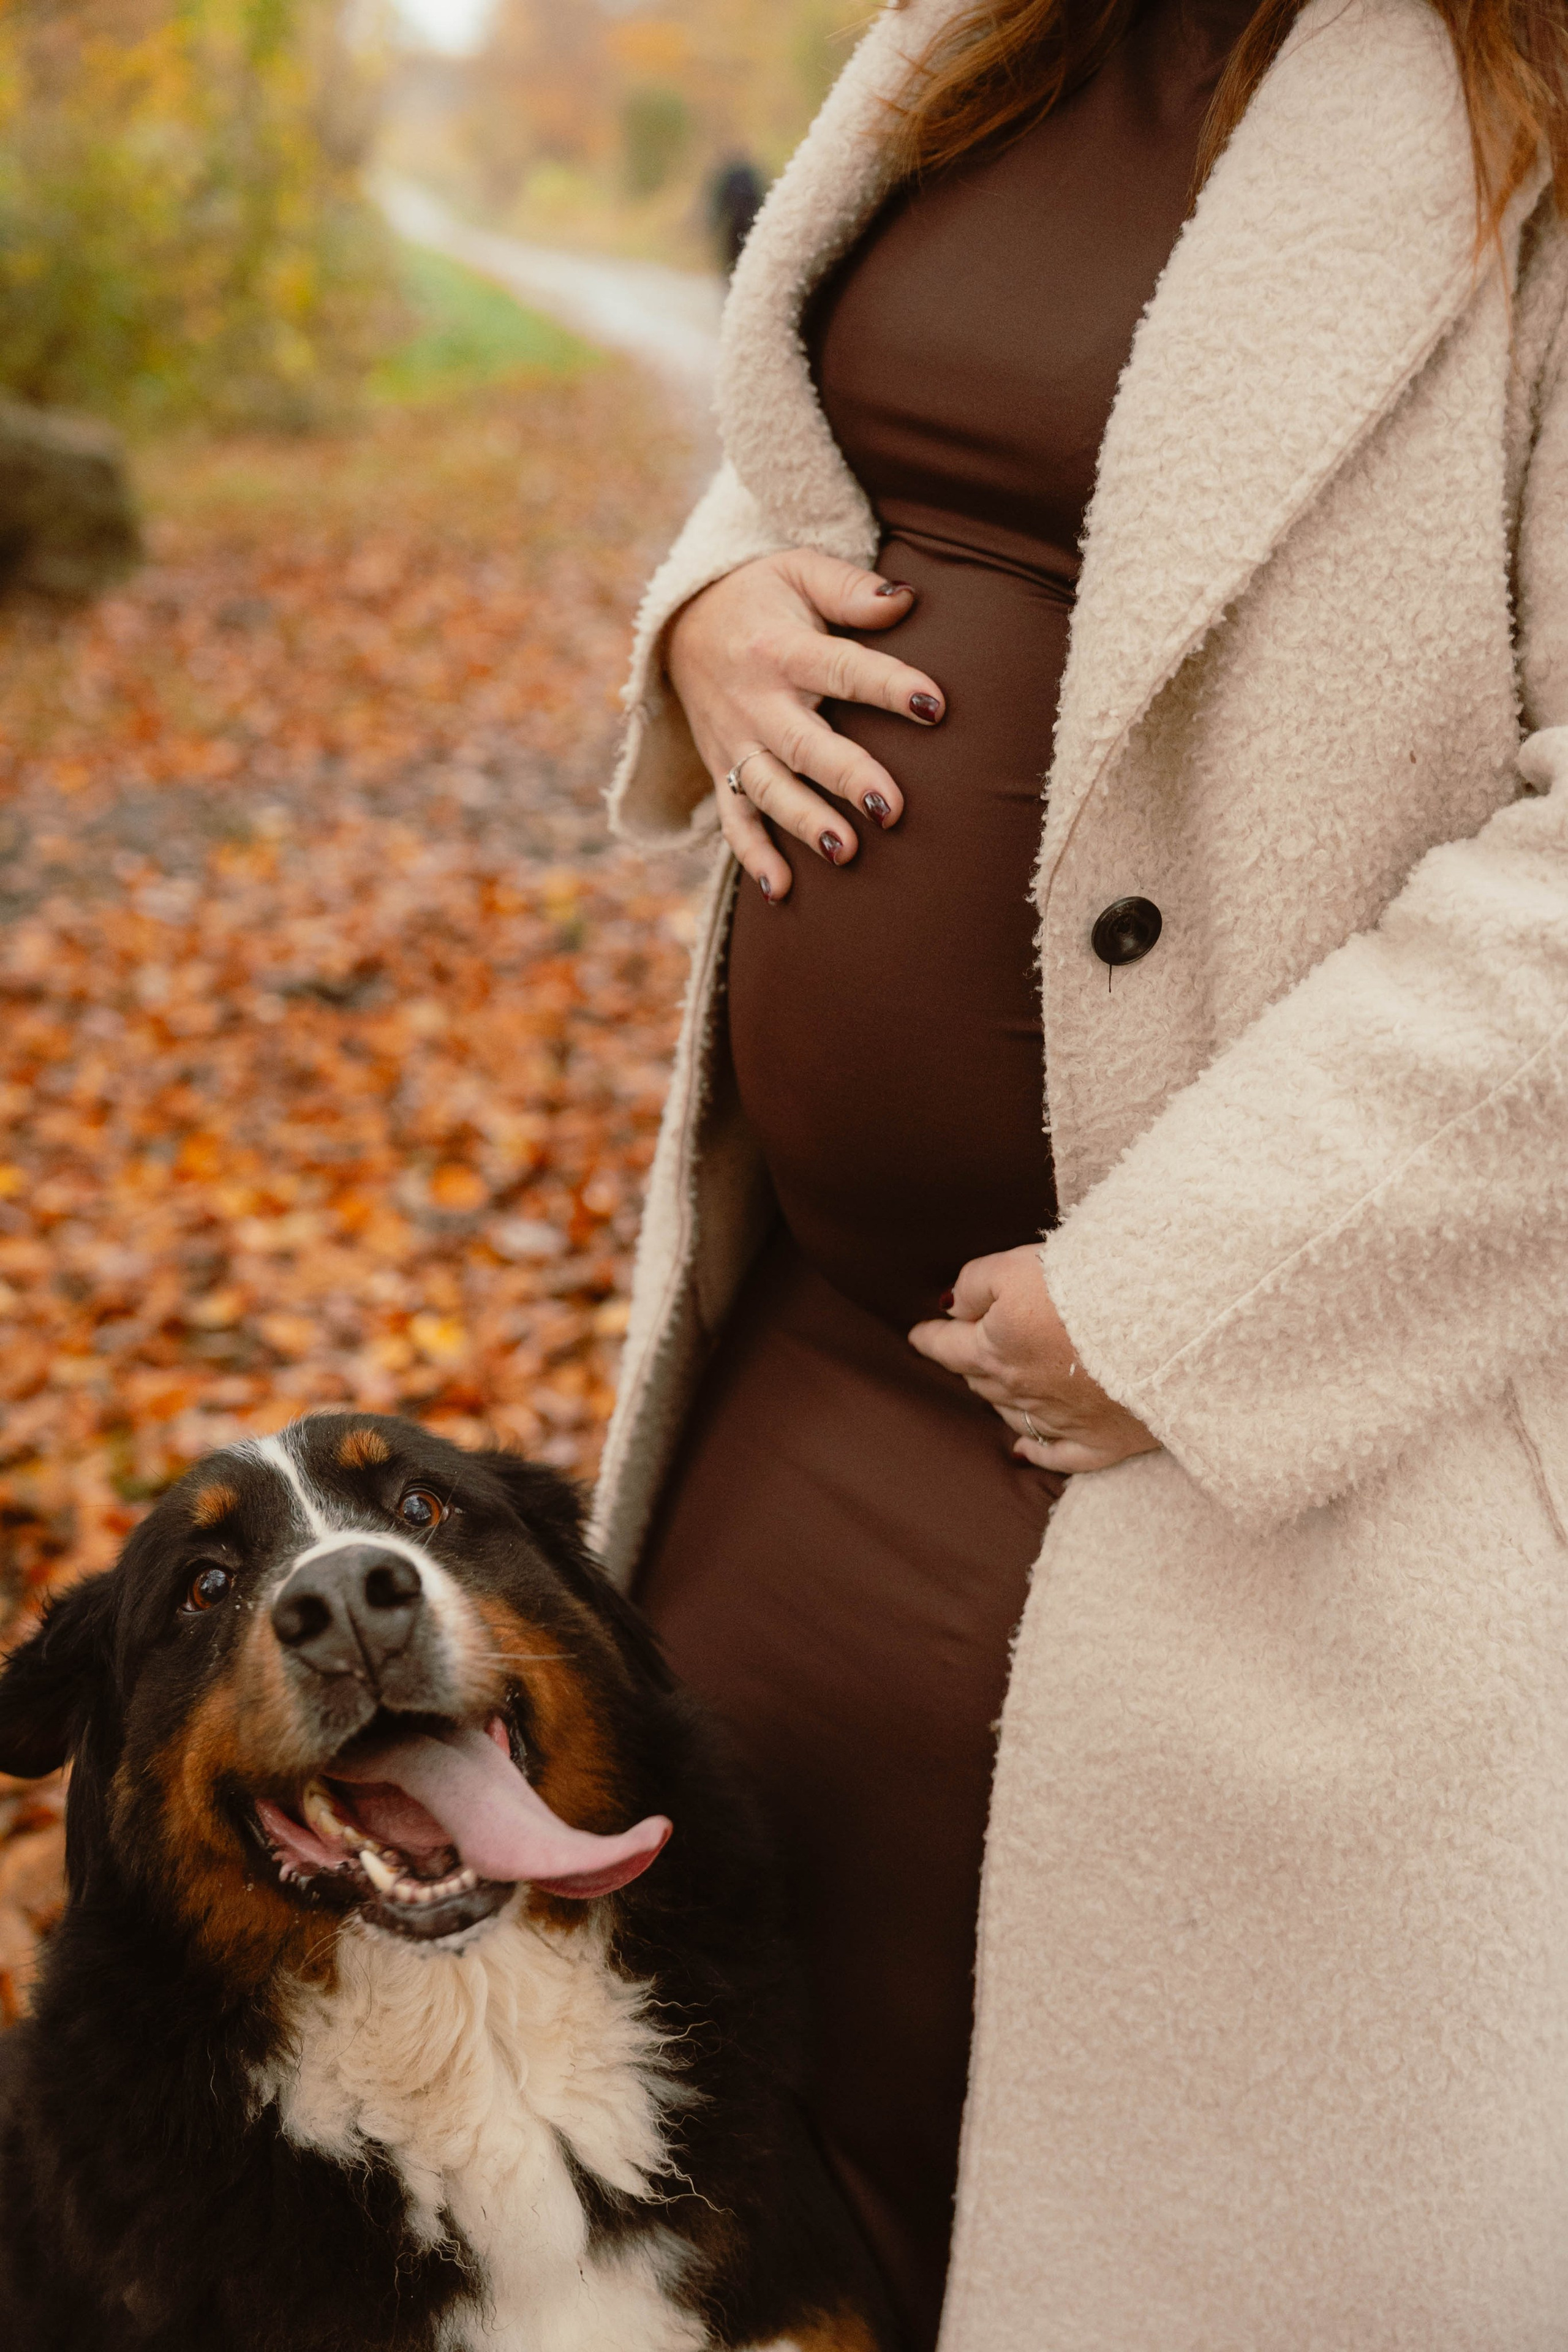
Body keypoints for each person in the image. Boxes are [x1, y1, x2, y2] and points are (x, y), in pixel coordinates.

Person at [591, 0, 1568, 2345]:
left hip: (1260, 1480)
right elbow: (860, 443)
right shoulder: (991, 32)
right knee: (729, 2210)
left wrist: (1199, 1295)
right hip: (797, 1406)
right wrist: (713, 600)